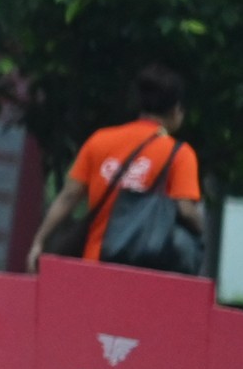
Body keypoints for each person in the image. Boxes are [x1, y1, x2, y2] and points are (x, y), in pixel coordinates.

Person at [29, 63, 207, 272]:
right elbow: (186, 210)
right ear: (176, 110)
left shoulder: (100, 140)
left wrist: (39, 241)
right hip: (145, 271)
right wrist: (200, 224)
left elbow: (68, 197)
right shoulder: (180, 154)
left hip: (95, 263)